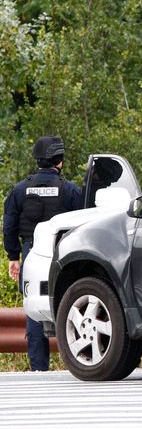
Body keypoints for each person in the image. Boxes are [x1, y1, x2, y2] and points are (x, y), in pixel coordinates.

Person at [3, 135, 82, 371]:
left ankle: (39, 368)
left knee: (34, 309)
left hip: (32, 252)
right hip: (64, 253)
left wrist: (13, 257)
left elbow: (9, 226)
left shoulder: (19, 190)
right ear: (60, 161)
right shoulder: (70, 191)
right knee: (74, 303)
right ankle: (81, 361)